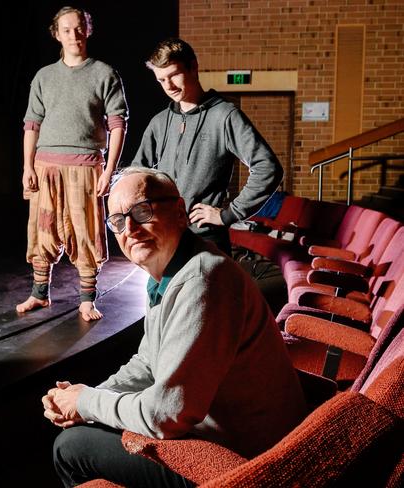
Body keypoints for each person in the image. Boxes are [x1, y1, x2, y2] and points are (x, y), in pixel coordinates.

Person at [42, 167, 307, 488]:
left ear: (180, 213)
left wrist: (86, 404)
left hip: (248, 464)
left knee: (71, 448)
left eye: (142, 211)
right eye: (117, 220)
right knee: (86, 428)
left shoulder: (202, 281)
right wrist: (86, 396)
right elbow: (147, 363)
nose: (130, 228)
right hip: (224, 436)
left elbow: (166, 416)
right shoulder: (171, 272)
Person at [17, 6, 129, 321]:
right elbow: (31, 126)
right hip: (46, 165)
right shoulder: (44, 76)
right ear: (57, 34)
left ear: (87, 30)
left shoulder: (104, 73)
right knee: (43, 229)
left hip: (87, 164)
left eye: (79, 28)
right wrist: (28, 166)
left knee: (87, 229)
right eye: (67, 29)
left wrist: (109, 170)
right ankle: (39, 294)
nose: (74, 35)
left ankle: (87, 300)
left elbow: (118, 124)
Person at [132, 38, 283, 255]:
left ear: (193, 67)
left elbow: (268, 168)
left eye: (174, 75)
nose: (169, 86)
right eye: (161, 80)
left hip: (205, 239)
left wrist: (229, 214)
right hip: (164, 237)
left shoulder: (225, 116)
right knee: (157, 291)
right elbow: (137, 174)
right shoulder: (159, 122)